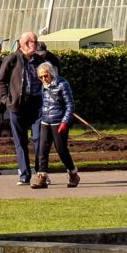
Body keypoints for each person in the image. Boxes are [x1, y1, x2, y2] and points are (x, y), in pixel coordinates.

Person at [0, 31, 51, 184]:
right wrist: (6, 100)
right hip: (17, 106)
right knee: (20, 141)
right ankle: (24, 175)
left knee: (39, 139)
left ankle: (41, 173)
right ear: (25, 43)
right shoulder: (11, 59)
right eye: (34, 42)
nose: (36, 44)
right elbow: (0, 82)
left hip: (37, 105)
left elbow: (48, 79)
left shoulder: (40, 60)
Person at [30, 61, 78, 189]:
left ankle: (73, 173)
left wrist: (65, 121)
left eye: (45, 76)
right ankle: (42, 176)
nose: (43, 79)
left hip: (59, 121)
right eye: (40, 77)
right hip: (45, 120)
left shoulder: (63, 84)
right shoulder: (43, 86)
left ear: (51, 73)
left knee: (61, 149)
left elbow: (70, 105)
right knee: (42, 150)